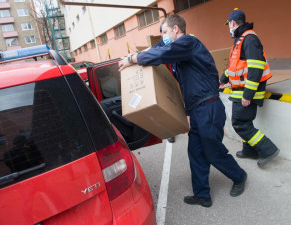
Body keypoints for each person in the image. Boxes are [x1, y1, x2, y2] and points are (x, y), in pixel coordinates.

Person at [119, 14, 247, 207]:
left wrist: (132, 58)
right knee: (195, 152)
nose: (163, 37)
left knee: (212, 151)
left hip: (208, 107)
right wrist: (187, 113)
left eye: (164, 32)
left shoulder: (189, 42)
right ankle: (202, 194)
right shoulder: (180, 54)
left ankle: (239, 176)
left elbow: (162, 53)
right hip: (196, 110)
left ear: (176, 29)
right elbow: (162, 52)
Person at [219, 8, 279, 167]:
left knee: (240, 123)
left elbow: (256, 69)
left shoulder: (249, 39)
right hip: (241, 90)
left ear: (232, 23)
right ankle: (249, 150)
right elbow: (234, 67)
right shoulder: (241, 40)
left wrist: (248, 95)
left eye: (228, 25)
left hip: (247, 91)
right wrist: (223, 79)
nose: (229, 28)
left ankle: (268, 149)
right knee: (245, 122)